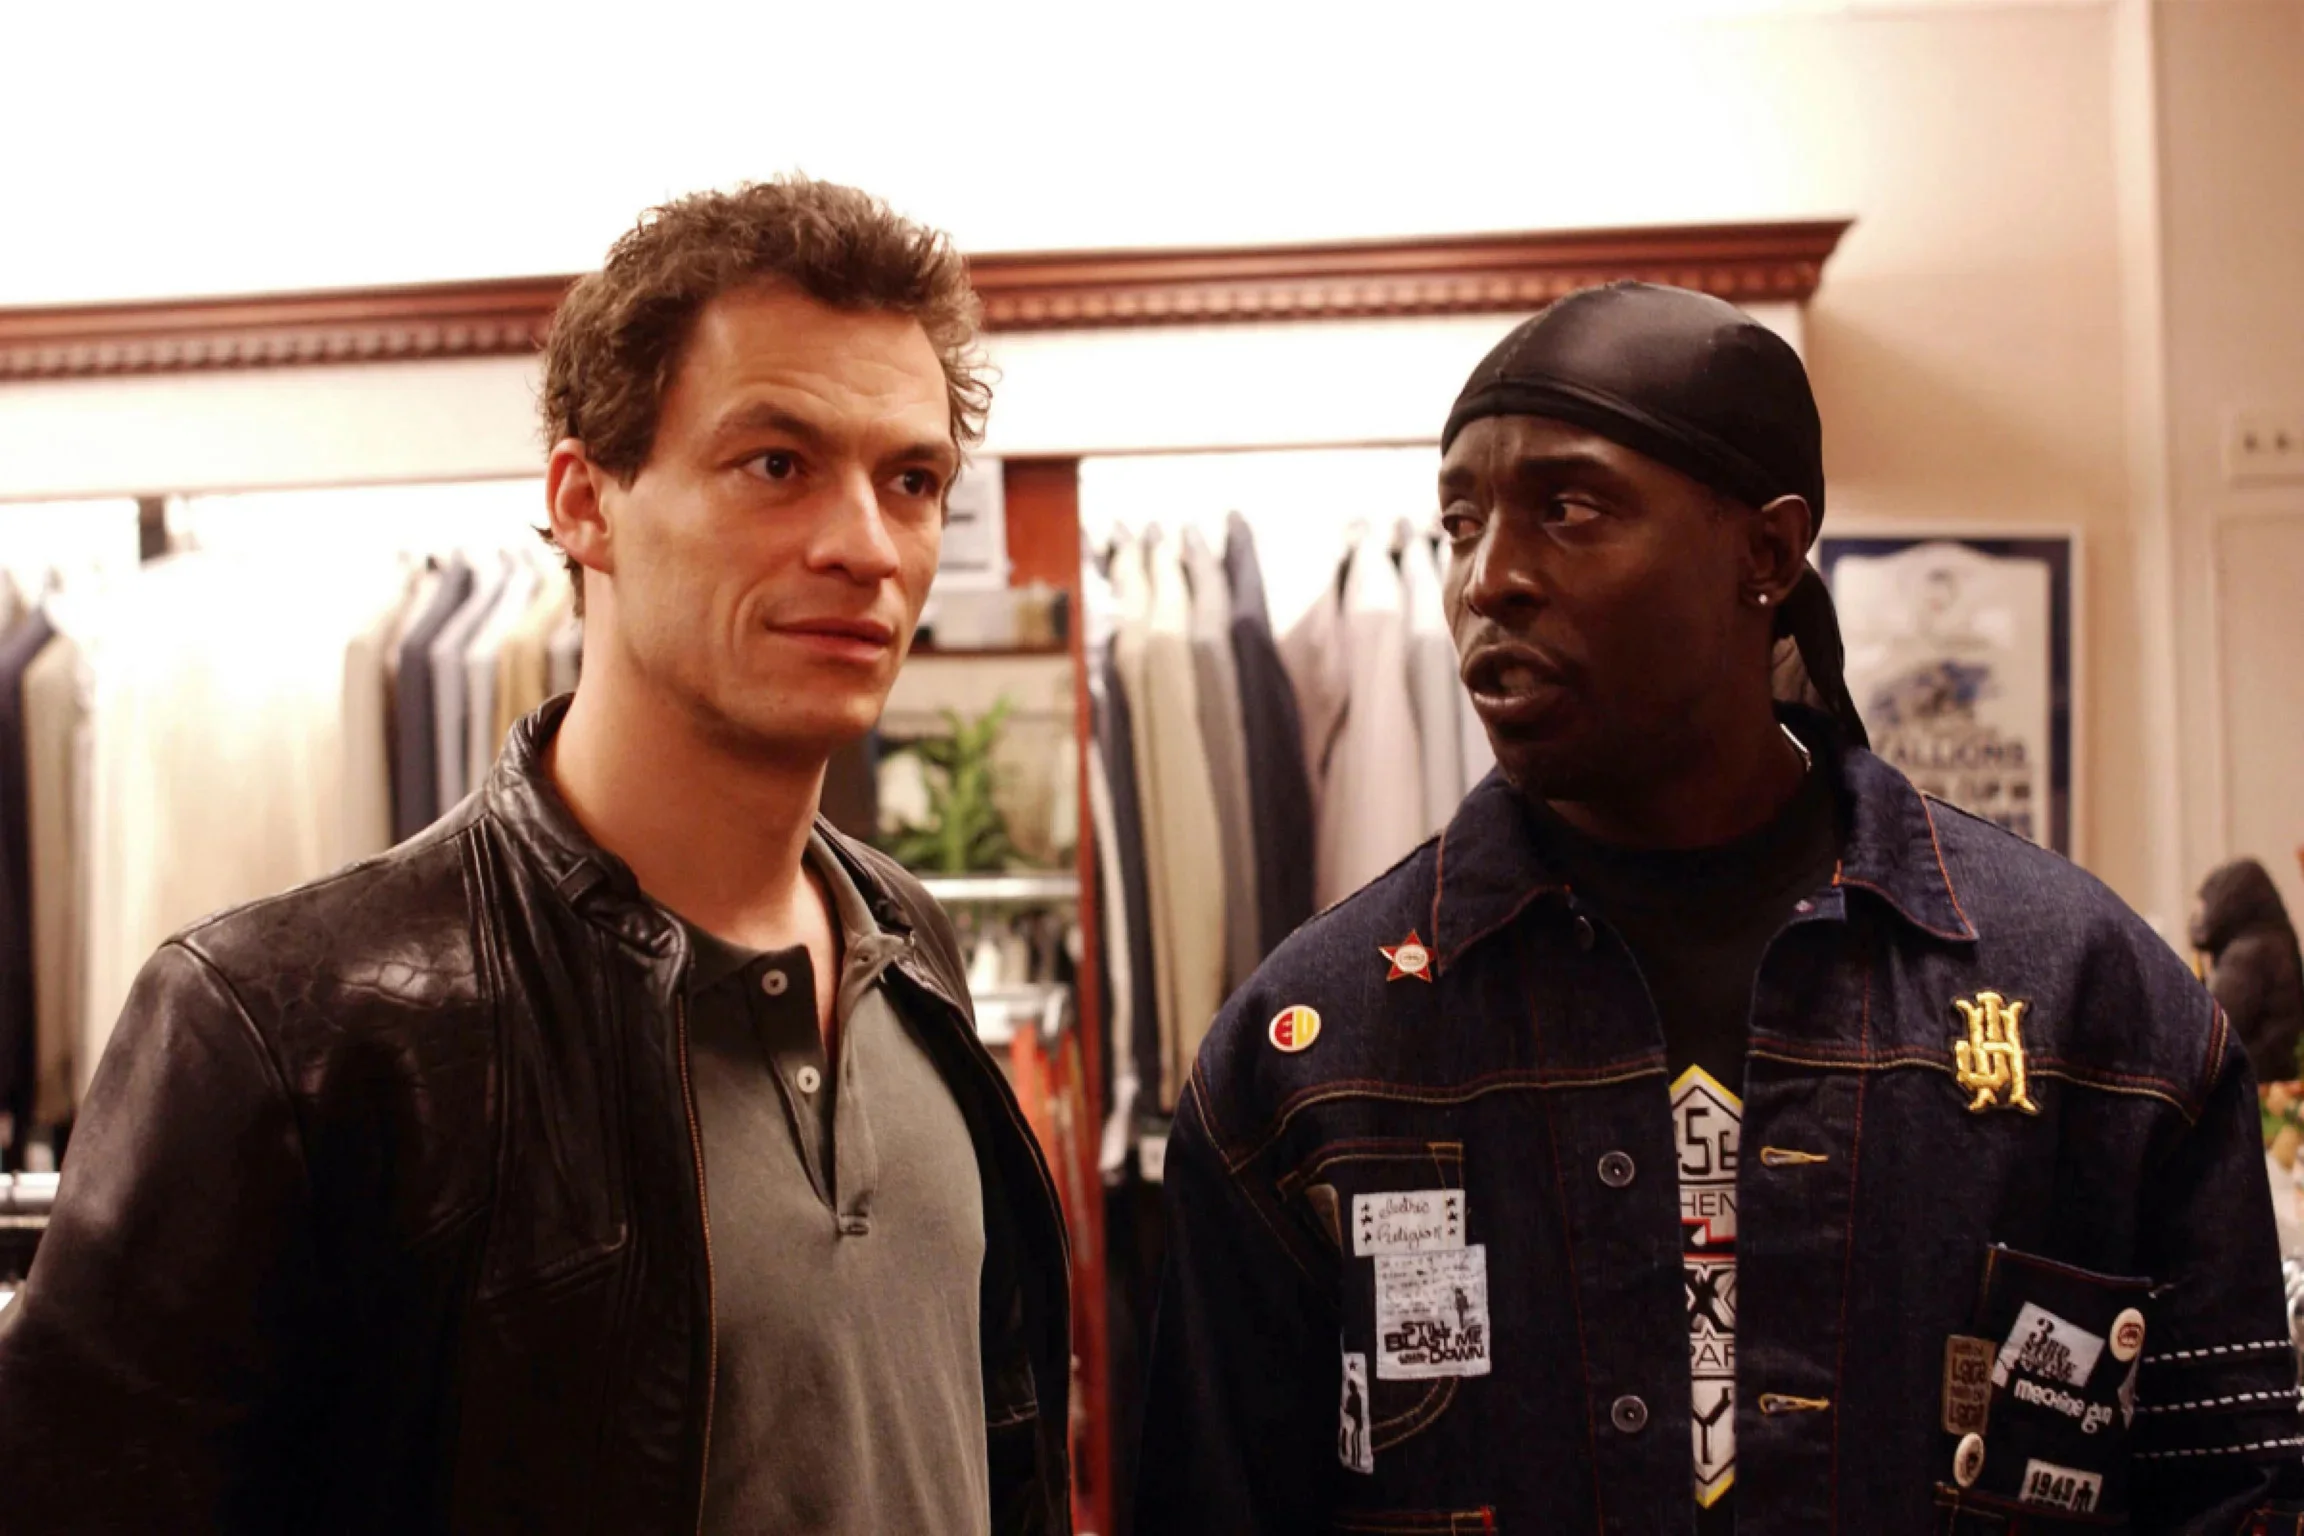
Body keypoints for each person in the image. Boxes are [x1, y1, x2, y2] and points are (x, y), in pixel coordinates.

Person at [0, 177, 1073, 1535]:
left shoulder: (904, 947)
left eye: (910, 481)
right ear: (585, 502)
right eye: (776, 464)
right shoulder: (292, 1033)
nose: (865, 545)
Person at [1136, 283, 2300, 1534]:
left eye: (1569, 509)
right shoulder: (1313, 1053)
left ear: (1768, 553)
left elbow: (2237, 1498)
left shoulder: (2091, 1010)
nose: (1488, 579)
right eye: (1461, 523)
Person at [2193, 857, 2304, 1088]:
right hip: (2275, 1080)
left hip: (2245, 1086)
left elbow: (2209, 1031)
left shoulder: (2247, 955)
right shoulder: (2278, 941)